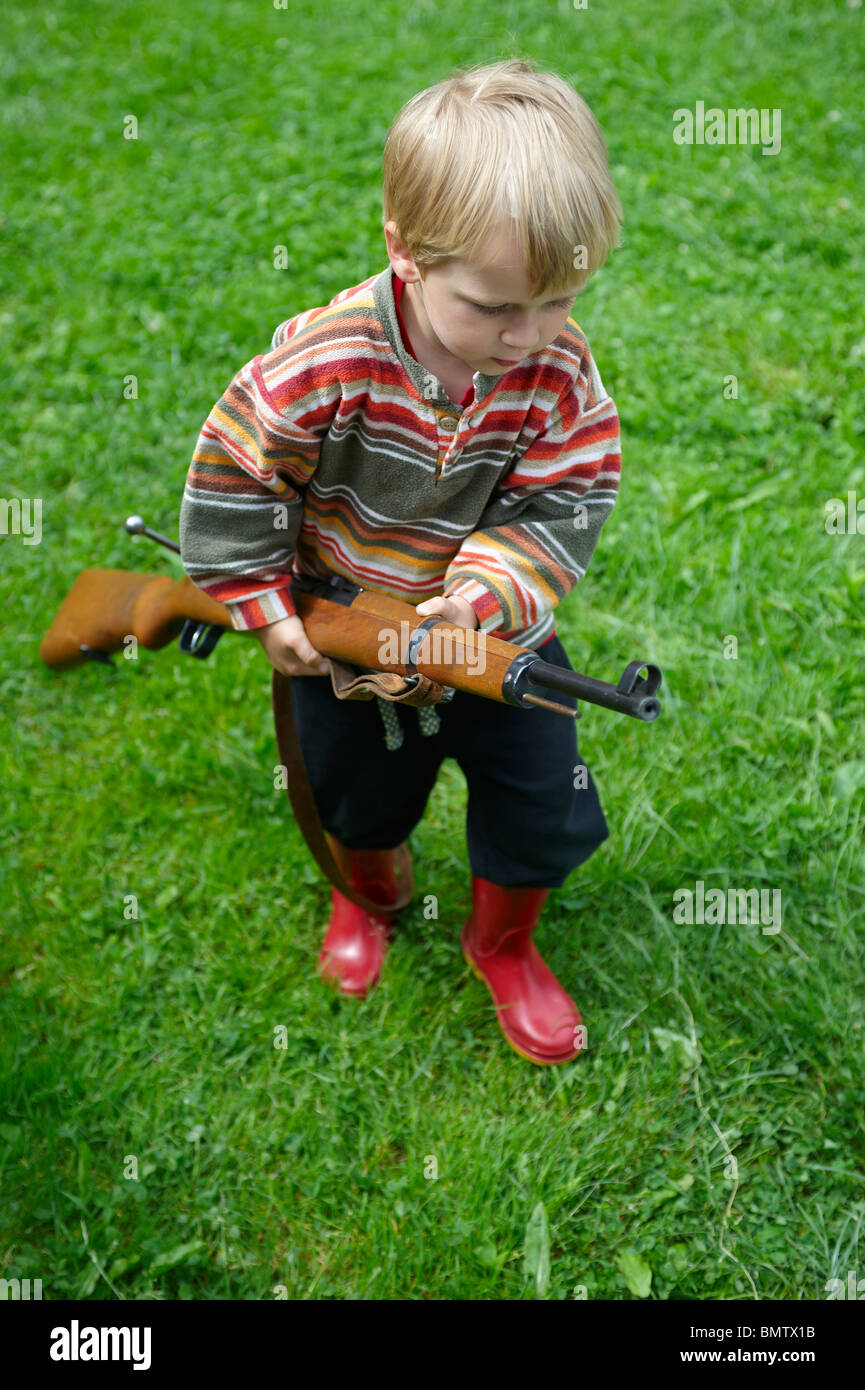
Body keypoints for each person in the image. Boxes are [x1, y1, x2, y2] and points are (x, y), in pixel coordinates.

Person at [179, 57, 623, 1065]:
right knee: (358, 799)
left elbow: (564, 497)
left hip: (494, 639)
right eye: (494, 307)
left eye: (559, 300)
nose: (529, 336)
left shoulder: (557, 371)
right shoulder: (320, 364)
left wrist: (478, 595)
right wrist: (267, 609)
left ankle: (503, 943)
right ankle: (368, 899)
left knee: (546, 797)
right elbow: (238, 477)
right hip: (348, 639)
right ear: (406, 252)